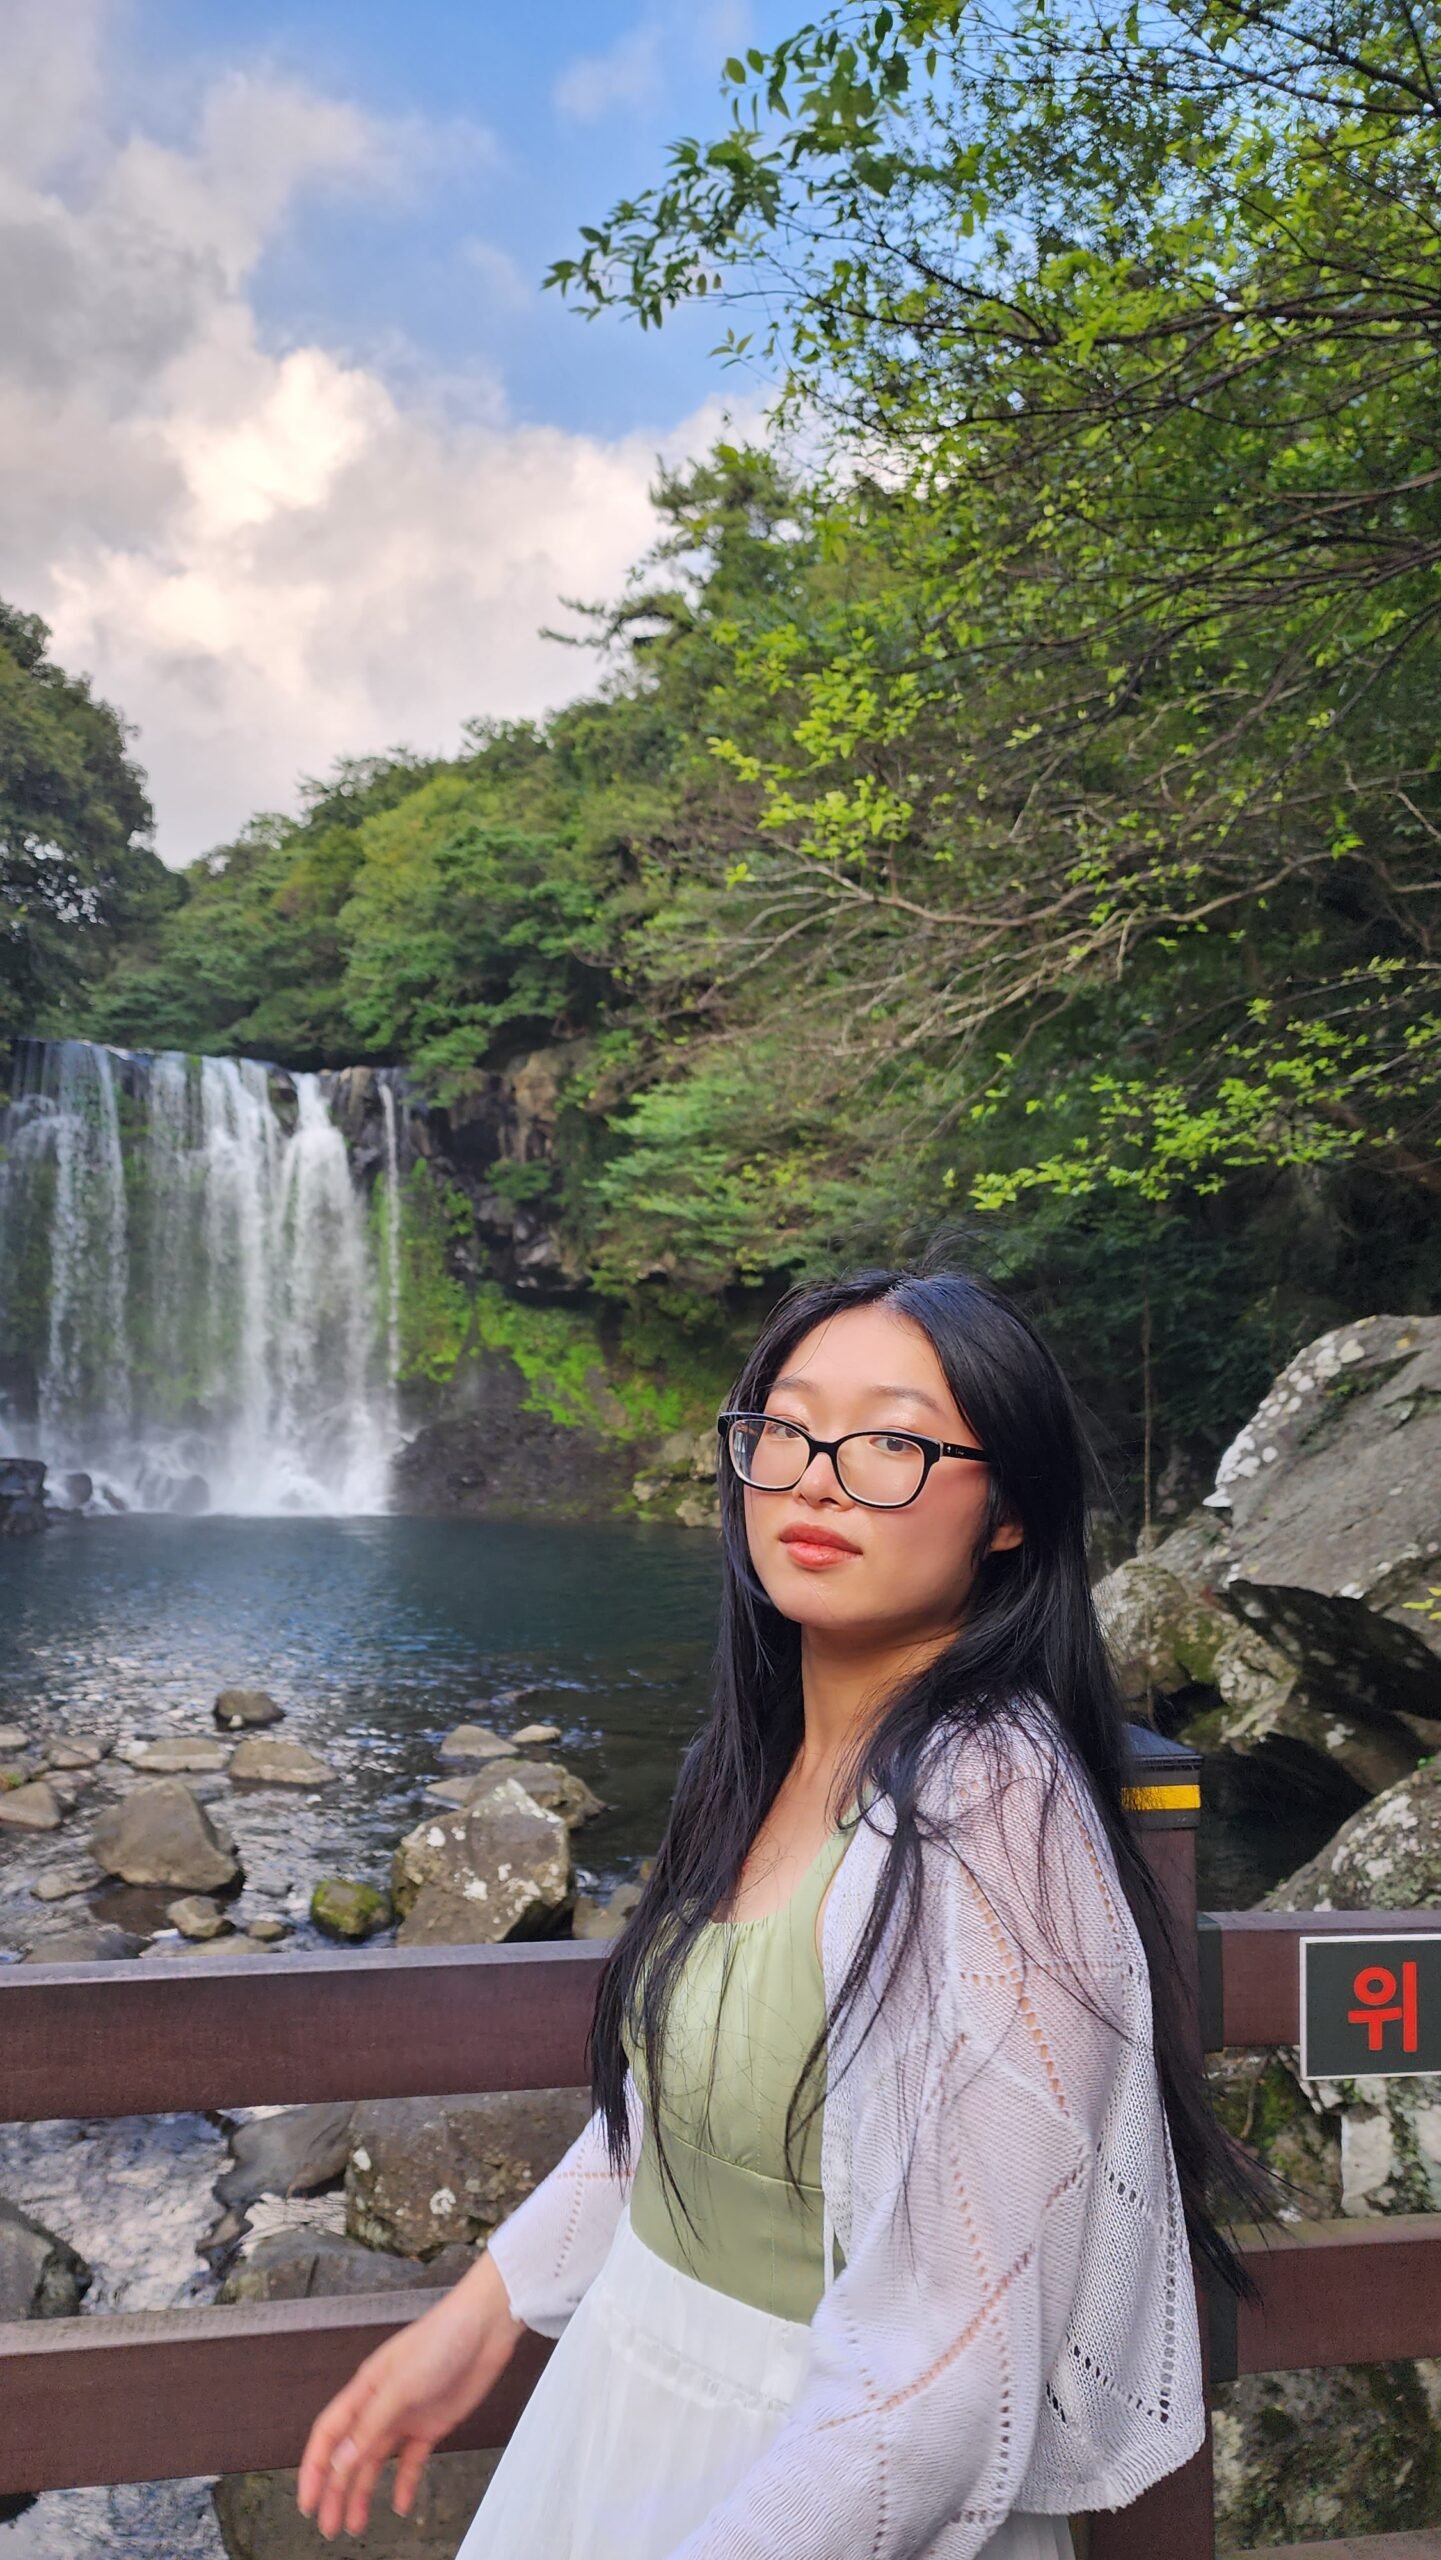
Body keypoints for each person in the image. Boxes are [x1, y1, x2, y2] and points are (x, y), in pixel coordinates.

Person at [298, 1259, 1251, 2558]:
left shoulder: (986, 1818)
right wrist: (480, 2314)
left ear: (1009, 1510)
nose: (815, 1474)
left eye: (893, 1445)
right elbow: (688, 2121)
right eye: (787, 1427)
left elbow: (940, 2387)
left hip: (813, 2488)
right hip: (626, 2404)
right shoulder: (758, 1767)